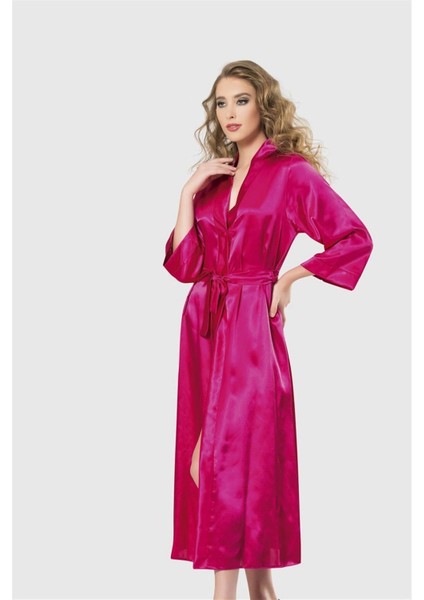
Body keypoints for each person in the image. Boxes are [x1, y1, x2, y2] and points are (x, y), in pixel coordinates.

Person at [163, 60, 373, 600]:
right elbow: (185, 266)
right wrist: (188, 192)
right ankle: (261, 591)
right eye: (221, 103)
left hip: (252, 328)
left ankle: (224, 595)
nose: (229, 113)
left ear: (264, 105)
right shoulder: (215, 179)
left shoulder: (290, 173)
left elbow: (354, 237)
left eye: (241, 100)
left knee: (221, 461)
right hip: (203, 327)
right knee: (215, 465)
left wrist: (291, 277)